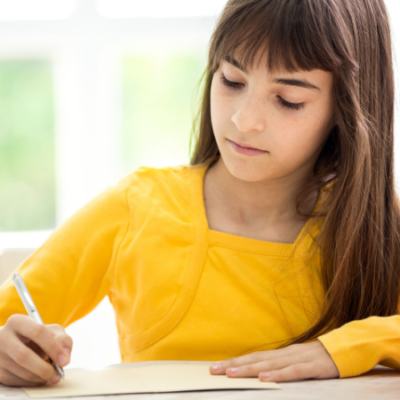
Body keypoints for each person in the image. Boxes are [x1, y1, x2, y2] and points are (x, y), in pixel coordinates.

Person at [0, 0, 399, 387]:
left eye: (288, 100)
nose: (244, 120)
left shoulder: (377, 226)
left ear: (347, 105)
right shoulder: (138, 207)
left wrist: (347, 348)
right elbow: (8, 323)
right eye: (231, 80)